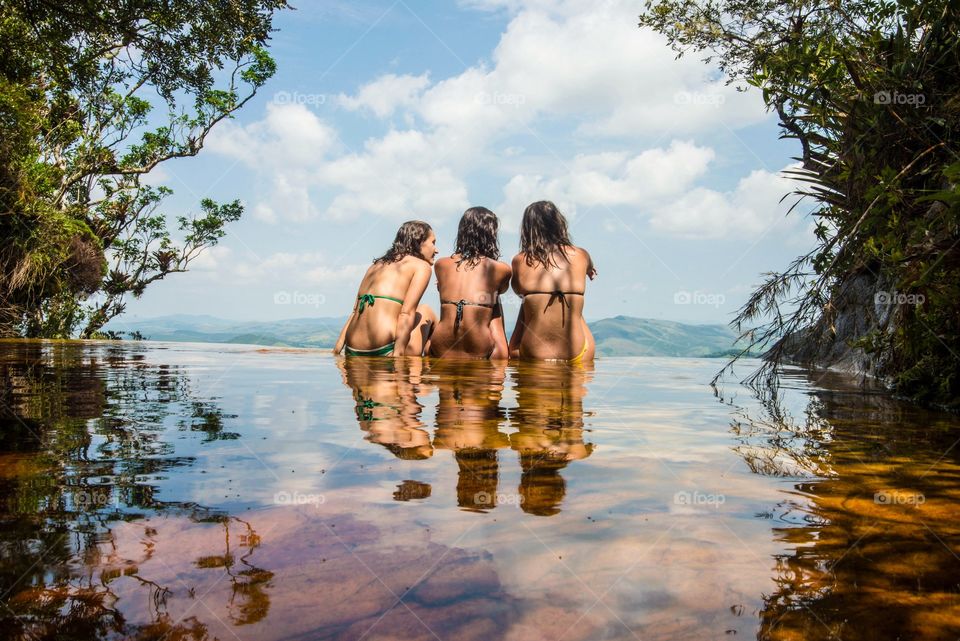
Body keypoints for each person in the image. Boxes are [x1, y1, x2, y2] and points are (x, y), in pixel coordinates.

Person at [509, 201, 597, 363]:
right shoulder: (581, 255)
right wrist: (589, 269)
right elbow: (590, 265)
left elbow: (518, 290)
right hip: (580, 349)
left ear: (528, 229)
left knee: (526, 302)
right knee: (574, 306)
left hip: (535, 352)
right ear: (559, 224)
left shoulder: (520, 260)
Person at [334, 220, 438, 357]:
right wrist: (397, 357)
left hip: (352, 350)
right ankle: (419, 374)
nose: (436, 250)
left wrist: (337, 350)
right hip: (384, 350)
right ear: (419, 242)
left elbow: (355, 311)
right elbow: (406, 314)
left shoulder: (375, 266)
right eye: (433, 243)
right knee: (426, 311)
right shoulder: (421, 266)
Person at [429, 207, 512, 359]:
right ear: (491, 235)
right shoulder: (501, 269)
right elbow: (501, 290)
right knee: (493, 298)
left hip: (440, 346)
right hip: (479, 346)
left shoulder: (441, 265)